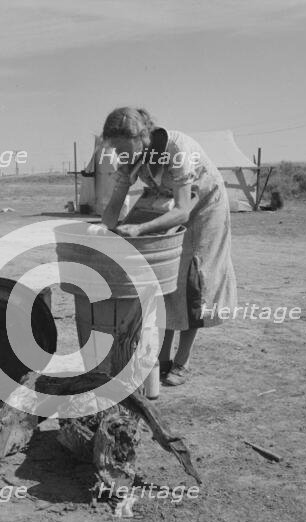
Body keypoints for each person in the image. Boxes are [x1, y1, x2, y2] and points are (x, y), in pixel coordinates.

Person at [100, 107, 237, 386]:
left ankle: (182, 362)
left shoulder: (177, 150)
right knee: (162, 278)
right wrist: (105, 231)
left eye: (123, 148)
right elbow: (114, 207)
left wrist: (139, 229)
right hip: (165, 202)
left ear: (142, 136)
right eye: (115, 149)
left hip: (203, 206)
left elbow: (183, 210)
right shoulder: (130, 157)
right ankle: (161, 359)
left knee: (192, 279)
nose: (119, 154)